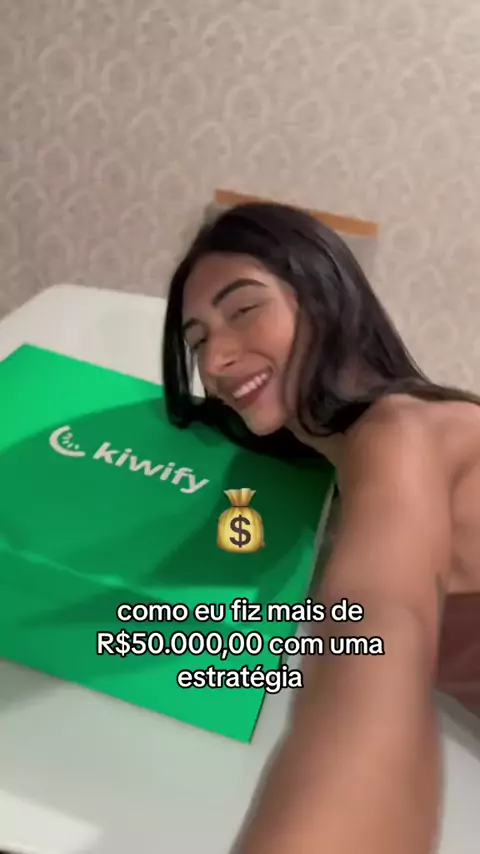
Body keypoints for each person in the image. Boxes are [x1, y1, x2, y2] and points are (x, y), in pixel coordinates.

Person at [162, 201, 480, 854]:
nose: (216, 358)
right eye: (197, 341)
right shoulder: (338, 469)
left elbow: (373, 645)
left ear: (326, 296)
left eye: (244, 309)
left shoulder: (405, 435)